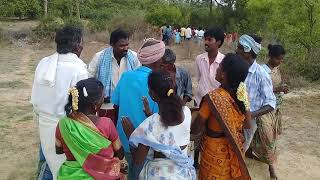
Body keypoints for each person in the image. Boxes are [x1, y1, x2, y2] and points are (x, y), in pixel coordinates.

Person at [31, 26, 89, 180]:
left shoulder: (44, 63)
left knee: (51, 162)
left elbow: (35, 96)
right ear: (77, 45)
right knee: (65, 169)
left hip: (44, 124)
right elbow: (81, 107)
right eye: (82, 42)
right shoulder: (78, 69)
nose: (83, 46)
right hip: (66, 128)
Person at [122, 71, 196, 180]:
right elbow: (168, 128)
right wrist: (150, 115)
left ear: (152, 94)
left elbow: (138, 160)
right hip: (184, 174)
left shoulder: (150, 124)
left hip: (159, 174)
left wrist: (131, 134)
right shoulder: (186, 112)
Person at [191, 53, 251, 180]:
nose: (217, 69)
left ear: (223, 74)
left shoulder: (214, 98)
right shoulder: (241, 96)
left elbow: (196, 129)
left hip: (214, 153)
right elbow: (247, 125)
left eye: (220, 67)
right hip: (232, 151)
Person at [111, 38, 165, 179]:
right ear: (156, 60)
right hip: (145, 145)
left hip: (123, 140)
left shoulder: (126, 76)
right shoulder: (157, 82)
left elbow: (115, 104)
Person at [55, 78, 124, 179]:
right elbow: (120, 153)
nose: (104, 99)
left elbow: (59, 150)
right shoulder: (107, 124)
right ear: (95, 104)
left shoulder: (63, 124)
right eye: (102, 97)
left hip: (70, 175)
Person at [236, 34, 277, 179]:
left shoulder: (261, 74)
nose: (237, 51)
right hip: (233, 117)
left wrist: (251, 115)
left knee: (239, 150)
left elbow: (271, 103)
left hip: (248, 121)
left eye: (240, 48)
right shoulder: (237, 68)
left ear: (248, 52)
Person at [88, 28, 140, 101]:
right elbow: (89, 78)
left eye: (127, 45)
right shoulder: (99, 57)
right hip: (106, 104)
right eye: (122, 46)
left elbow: (139, 79)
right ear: (112, 44)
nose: (126, 48)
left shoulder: (134, 57)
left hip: (128, 101)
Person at [195, 27, 225, 106]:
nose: (206, 42)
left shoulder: (224, 61)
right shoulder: (199, 59)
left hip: (217, 105)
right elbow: (199, 78)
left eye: (209, 40)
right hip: (199, 101)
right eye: (205, 39)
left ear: (218, 42)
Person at [262, 44, 288, 135]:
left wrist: (283, 87)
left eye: (281, 59)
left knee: (273, 134)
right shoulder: (263, 71)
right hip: (265, 108)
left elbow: (278, 83)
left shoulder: (276, 69)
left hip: (276, 107)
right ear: (270, 57)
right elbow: (260, 89)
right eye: (278, 59)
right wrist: (277, 89)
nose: (280, 61)